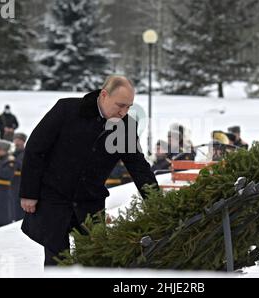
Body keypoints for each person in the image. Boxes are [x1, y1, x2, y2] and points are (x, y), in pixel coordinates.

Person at [19, 75, 158, 266]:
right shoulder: (67, 110)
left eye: (129, 107)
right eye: (120, 105)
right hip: (54, 199)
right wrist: (29, 193)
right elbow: (35, 149)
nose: (124, 112)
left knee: (96, 261)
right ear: (104, 95)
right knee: (58, 261)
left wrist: (156, 201)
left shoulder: (125, 127)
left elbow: (138, 166)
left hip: (90, 203)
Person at [11, 132, 27, 221]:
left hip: (21, 182)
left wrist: (15, 161)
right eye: (15, 140)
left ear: (23, 142)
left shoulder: (26, 153)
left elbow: (24, 167)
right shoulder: (12, 153)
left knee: (19, 205)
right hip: (11, 182)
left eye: (19, 140)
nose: (16, 142)